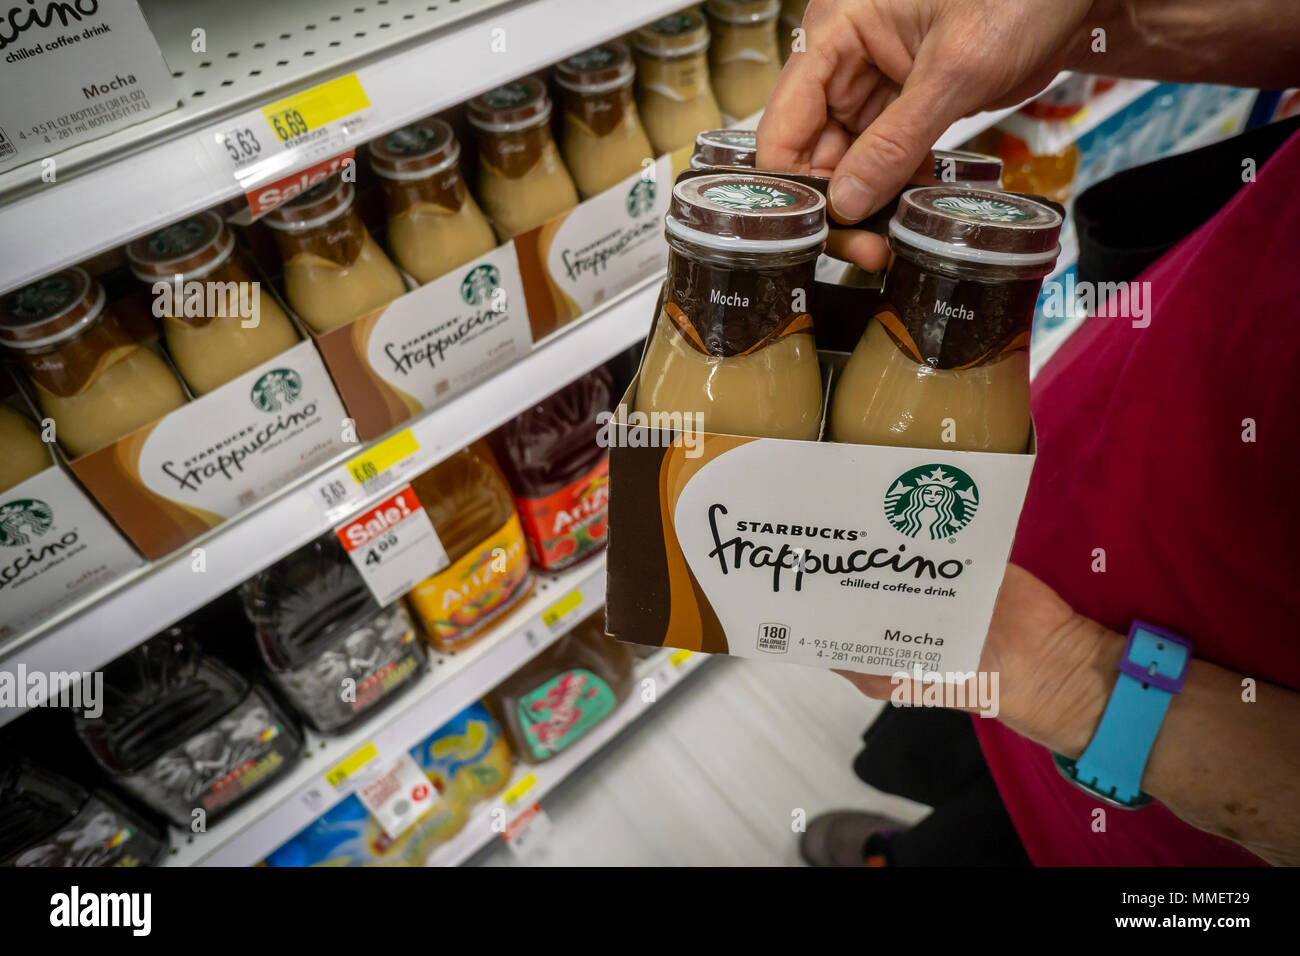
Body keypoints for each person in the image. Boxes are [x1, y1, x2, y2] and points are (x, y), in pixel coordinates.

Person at [757, 0, 1300, 866]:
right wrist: (1088, 24)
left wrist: (1054, 676)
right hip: (1055, 567)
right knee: (983, 804)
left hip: (1167, 790)